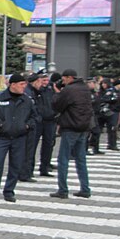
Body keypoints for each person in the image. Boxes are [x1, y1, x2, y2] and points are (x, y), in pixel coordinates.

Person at [0, 73, 36, 205]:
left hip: (19, 137)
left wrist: (27, 126)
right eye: (21, 84)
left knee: (15, 166)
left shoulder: (27, 100)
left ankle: (9, 191)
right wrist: (0, 125)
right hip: (2, 137)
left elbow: (35, 117)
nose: (24, 87)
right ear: (13, 85)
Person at [50, 69, 93, 199]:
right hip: (84, 127)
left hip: (71, 127)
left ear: (69, 78)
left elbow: (57, 106)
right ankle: (85, 188)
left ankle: (63, 190)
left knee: (63, 159)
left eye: (64, 80)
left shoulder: (69, 90)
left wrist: (58, 93)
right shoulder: (85, 88)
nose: (63, 82)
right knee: (81, 159)